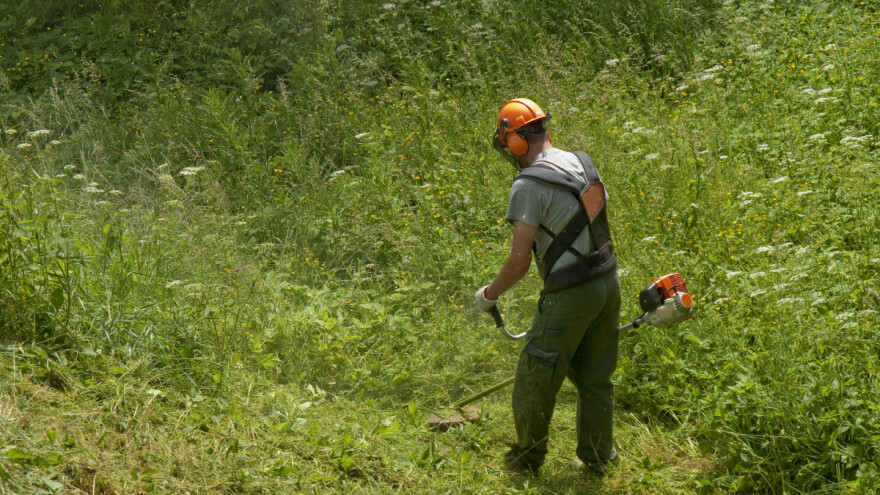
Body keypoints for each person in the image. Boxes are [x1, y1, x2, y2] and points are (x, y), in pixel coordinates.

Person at [474, 98, 621, 476]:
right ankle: (597, 460)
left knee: (534, 376)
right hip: (607, 282)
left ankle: (527, 460)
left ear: (518, 142)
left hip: (570, 293)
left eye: (508, 143)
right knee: (595, 378)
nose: (509, 152)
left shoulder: (528, 184)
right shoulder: (582, 161)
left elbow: (520, 261)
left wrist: (490, 294)